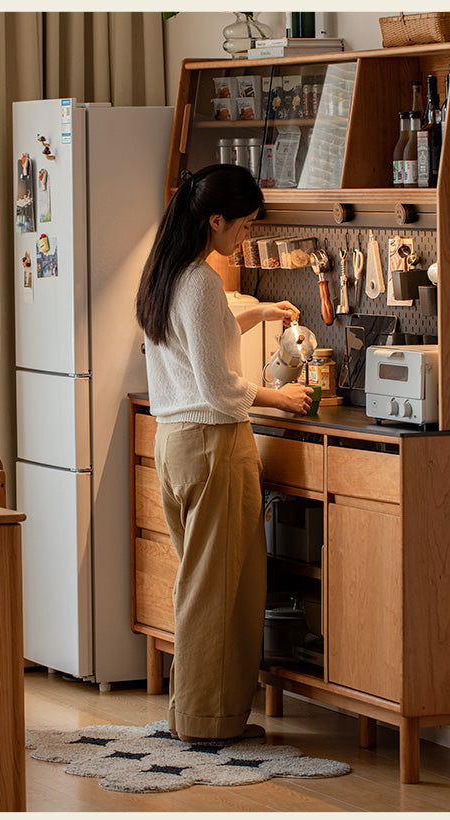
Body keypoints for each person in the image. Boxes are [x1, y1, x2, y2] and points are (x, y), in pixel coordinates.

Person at [135, 164, 313, 742]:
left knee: (200, 582)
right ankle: (209, 724)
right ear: (216, 220)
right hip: (214, 445)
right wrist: (279, 398)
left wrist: (258, 312)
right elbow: (218, 387)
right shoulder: (201, 281)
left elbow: (197, 338)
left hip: (175, 445)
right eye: (243, 227)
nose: (245, 239)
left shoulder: (167, 275)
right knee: (223, 590)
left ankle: (190, 713)